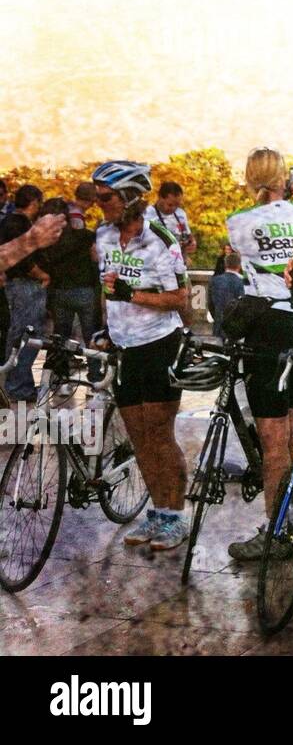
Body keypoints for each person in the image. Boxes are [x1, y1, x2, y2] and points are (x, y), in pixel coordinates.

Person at [221, 148, 293, 560]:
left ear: (250, 178)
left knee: (271, 440)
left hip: (264, 327)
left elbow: (238, 259)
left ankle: (276, 530)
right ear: (285, 178)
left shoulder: (239, 221)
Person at [90, 161, 191, 551]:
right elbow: (107, 288)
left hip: (158, 344)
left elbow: (180, 298)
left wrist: (131, 295)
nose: (100, 204)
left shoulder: (161, 239)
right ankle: (158, 512)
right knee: (140, 439)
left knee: (161, 436)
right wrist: (107, 326)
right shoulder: (103, 235)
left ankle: (176, 516)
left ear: (131, 198)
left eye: (106, 197)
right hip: (125, 347)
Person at [2, 185, 50, 401]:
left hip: (17, 285)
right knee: (29, 334)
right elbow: (23, 259)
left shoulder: (9, 221)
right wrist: (42, 275)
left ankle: (17, 382)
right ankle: (19, 385)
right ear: (34, 202)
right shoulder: (18, 224)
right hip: (25, 285)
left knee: (18, 333)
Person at [39, 196, 101, 355]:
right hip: (85, 290)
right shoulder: (85, 236)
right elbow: (96, 258)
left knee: (60, 338)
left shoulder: (46, 242)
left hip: (59, 291)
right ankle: (95, 369)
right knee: (92, 338)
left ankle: (57, 367)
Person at [145, 181, 197, 262]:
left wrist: (192, 242)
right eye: (170, 205)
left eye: (177, 205)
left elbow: (188, 235)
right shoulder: (146, 214)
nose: (173, 208)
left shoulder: (181, 214)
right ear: (160, 197)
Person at [207, 248, 245, 339]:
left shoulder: (215, 281)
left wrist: (217, 316)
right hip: (237, 327)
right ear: (239, 265)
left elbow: (210, 304)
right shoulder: (243, 282)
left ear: (225, 264)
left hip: (219, 324)